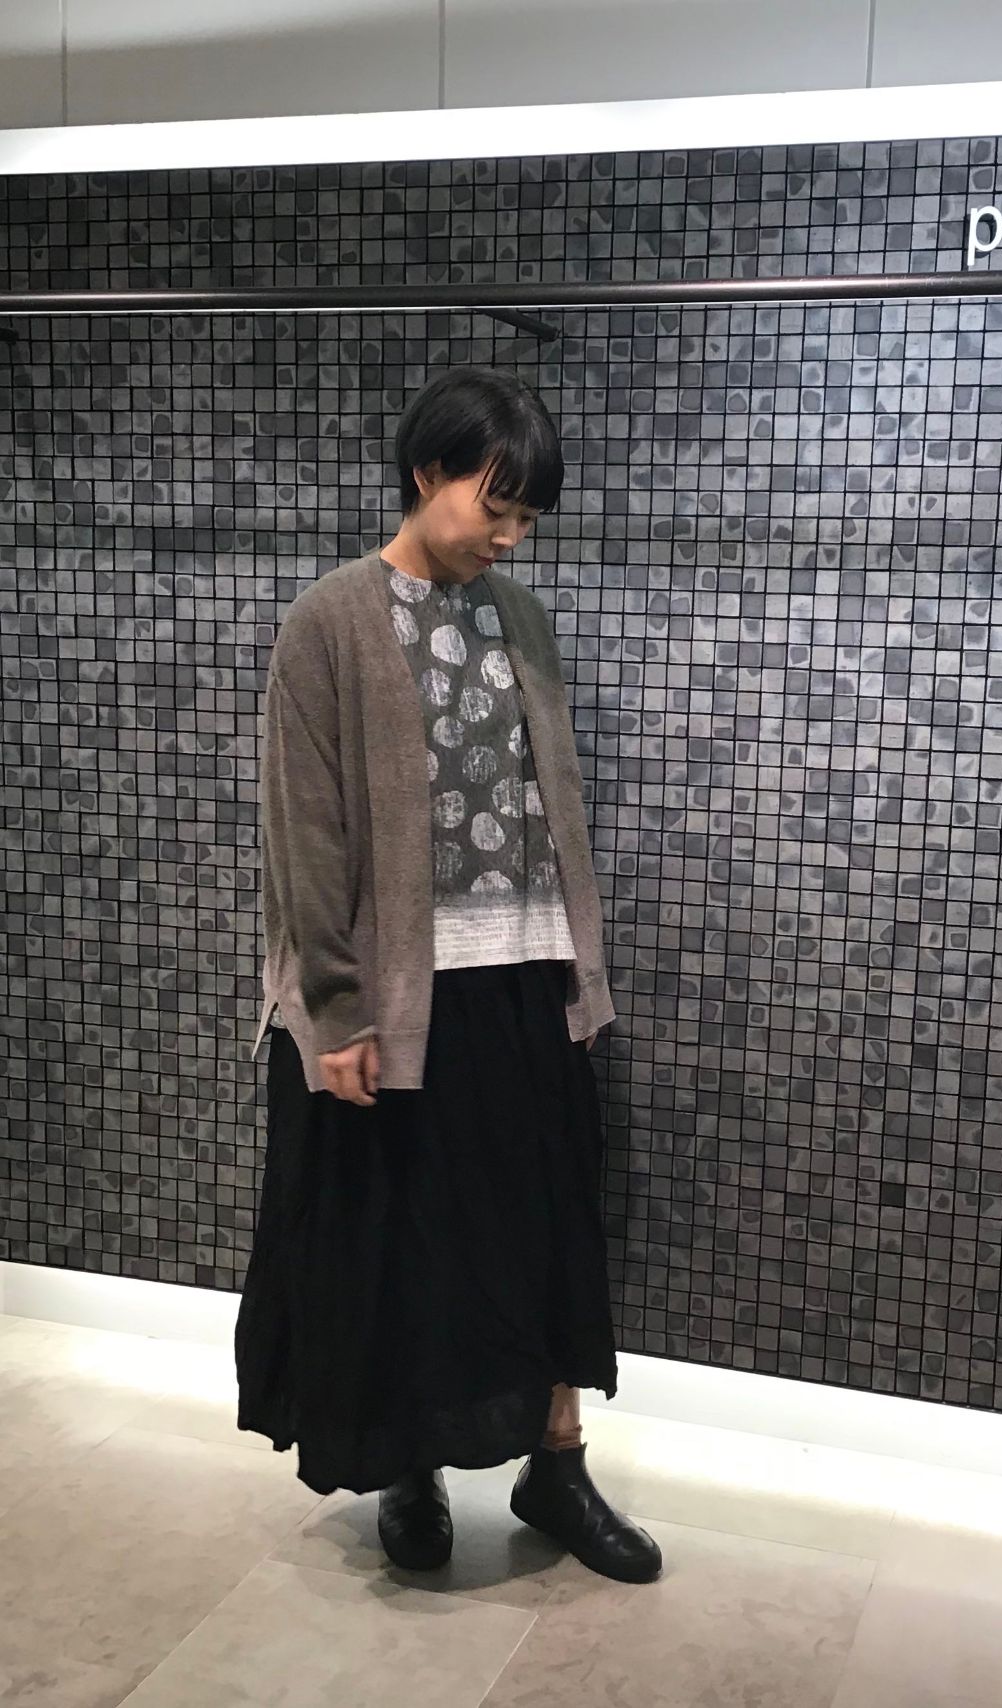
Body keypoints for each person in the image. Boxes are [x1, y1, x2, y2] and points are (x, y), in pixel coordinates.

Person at [234, 365, 662, 1586]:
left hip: (523, 977)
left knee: (543, 1226)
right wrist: (337, 1010)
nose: (509, 534)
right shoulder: (330, 619)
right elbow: (304, 832)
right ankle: (408, 1467)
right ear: (427, 471)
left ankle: (555, 1464)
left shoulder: (518, 617)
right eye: (495, 504)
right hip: (396, 996)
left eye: (526, 516)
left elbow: (549, 805)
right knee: (403, 1242)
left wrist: (579, 974)